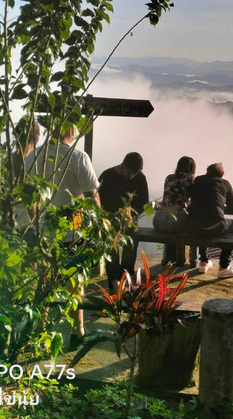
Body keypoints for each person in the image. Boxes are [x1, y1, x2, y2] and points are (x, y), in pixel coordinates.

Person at [24, 125, 101, 349]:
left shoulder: (33, 157)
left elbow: (31, 199)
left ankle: (40, 332)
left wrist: (36, 226)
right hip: (71, 233)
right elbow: (92, 197)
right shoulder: (78, 157)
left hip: (41, 233)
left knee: (42, 282)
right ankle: (77, 332)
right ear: (69, 129)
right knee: (75, 281)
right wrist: (97, 229)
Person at [98, 152, 149, 290]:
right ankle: (114, 280)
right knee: (111, 248)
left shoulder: (140, 178)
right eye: (129, 172)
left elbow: (143, 201)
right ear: (123, 165)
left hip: (130, 220)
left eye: (134, 173)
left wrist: (130, 215)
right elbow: (98, 199)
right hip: (109, 219)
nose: (131, 176)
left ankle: (126, 276)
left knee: (131, 244)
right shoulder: (107, 176)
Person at [188, 162, 233, 277]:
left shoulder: (198, 180)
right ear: (221, 175)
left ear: (207, 172)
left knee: (203, 223)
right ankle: (224, 266)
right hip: (214, 226)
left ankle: (203, 261)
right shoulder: (224, 183)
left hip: (194, 226)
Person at [154, 156, 196, 266]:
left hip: (159, 220)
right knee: (195, 227)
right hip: (176, 220)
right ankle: (193, 260)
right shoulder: (190, 178)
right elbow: (194, 198)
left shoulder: (169, 177)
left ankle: (166, 258)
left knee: (170, 228)